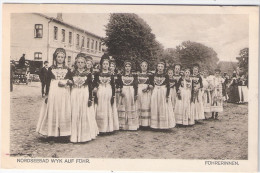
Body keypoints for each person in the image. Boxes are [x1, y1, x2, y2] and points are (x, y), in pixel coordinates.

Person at [36, 48, 73, 137]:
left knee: (63, 110)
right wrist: (47, 95)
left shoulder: (67, 69)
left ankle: (64, 133)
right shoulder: (51, 69)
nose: (60, 58)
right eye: (58, 57)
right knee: (54, 109)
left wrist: (66, 82)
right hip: (54, 92)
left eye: (62, 57)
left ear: (64, 58)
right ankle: (52, 132)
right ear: (55, 58)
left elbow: (71, 81)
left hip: (64, 92)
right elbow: (48, 83)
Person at [70, 54, 99, 143]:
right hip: (75, 93)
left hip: (84, 93)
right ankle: (74, 135)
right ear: (76, 63)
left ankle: (84, 135)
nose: (80, 64)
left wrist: (90, 98)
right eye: (78, 62)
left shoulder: (88, 74)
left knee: (84, 112)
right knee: (75, 112)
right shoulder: (72, 73)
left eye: (82, 62)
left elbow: (90, 87)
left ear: (85, 64)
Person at [93, 56, 119, 133]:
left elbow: (113, 85)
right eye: (104, 64)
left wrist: (113, 95)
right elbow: (95, 83)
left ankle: (108, 128)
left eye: (107, 64)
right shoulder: (97, 74)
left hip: (108, 92)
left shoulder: (111, 74)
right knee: (100, 108)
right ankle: (100, 128)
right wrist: (95, 88)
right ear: (101, 65)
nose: (105, 65)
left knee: (108, 108)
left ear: (109, 65)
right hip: (100, 92)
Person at [150, 61, 175, 129]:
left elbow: (168, 86)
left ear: (164, 68)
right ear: (157, 67)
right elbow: (152, 84)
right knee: (156, 106)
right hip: (155, 92)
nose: (160, 68)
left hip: (163, 92)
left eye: (161, 67)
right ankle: (155, 125)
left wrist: (167, 96)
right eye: (159, 66)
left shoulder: (166, 76)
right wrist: (150, 86)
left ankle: (163, 125)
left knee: (163, 107)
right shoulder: (154, 75)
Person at [117, 60, 139, 130]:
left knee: (130, 106)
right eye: (126, 66)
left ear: (131, 67)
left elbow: (136, 86)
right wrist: (120, 91)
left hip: (131, 91)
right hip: (124, 91)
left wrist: (135, 94)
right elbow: (119, 85)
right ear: (124, 67)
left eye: (129, 66)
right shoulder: (121, 76)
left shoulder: (134, 76)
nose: (127, 68)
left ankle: (131, 125)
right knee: (123, 106)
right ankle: (122, 125)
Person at [137, 60, 153, 127]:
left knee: (145, 105)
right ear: (140, 67)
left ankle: (146, 123)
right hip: (139, 91)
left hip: (146, 92)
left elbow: (152, 84)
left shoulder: (150, 75)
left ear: (147, 67)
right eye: (142, 66)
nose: (144, 67)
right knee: (139, 105)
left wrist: (147, 88)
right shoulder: (137, 75)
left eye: (145, 66)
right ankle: (139, 123)